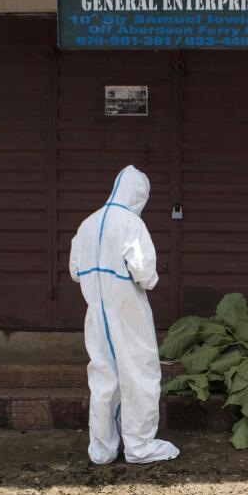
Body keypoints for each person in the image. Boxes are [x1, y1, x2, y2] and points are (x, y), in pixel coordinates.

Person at [69, 165, 179, 465]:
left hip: (96, 313)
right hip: (128, 314)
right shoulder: (131, 224)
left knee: (104, 377)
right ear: (138, 195)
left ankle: (102, 449)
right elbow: (145, 274)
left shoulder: (87, 224)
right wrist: (149, 280)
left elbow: (75, 271)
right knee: (140, 375)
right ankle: (139, 446)